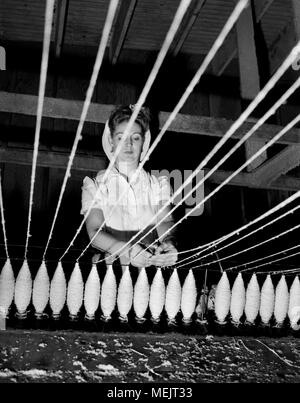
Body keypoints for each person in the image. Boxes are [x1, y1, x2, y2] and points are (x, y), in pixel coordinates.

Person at [81, 104, 178, 268]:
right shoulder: (95, 186)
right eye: (121, 137)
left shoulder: (158, 185)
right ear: (111, 141)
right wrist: (127, 250)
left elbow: (165, 221)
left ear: (143, 143)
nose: (128, 144)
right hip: (109, 274)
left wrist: (168, 243)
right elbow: (95, 231)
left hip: (150, 273)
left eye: (135, 137)